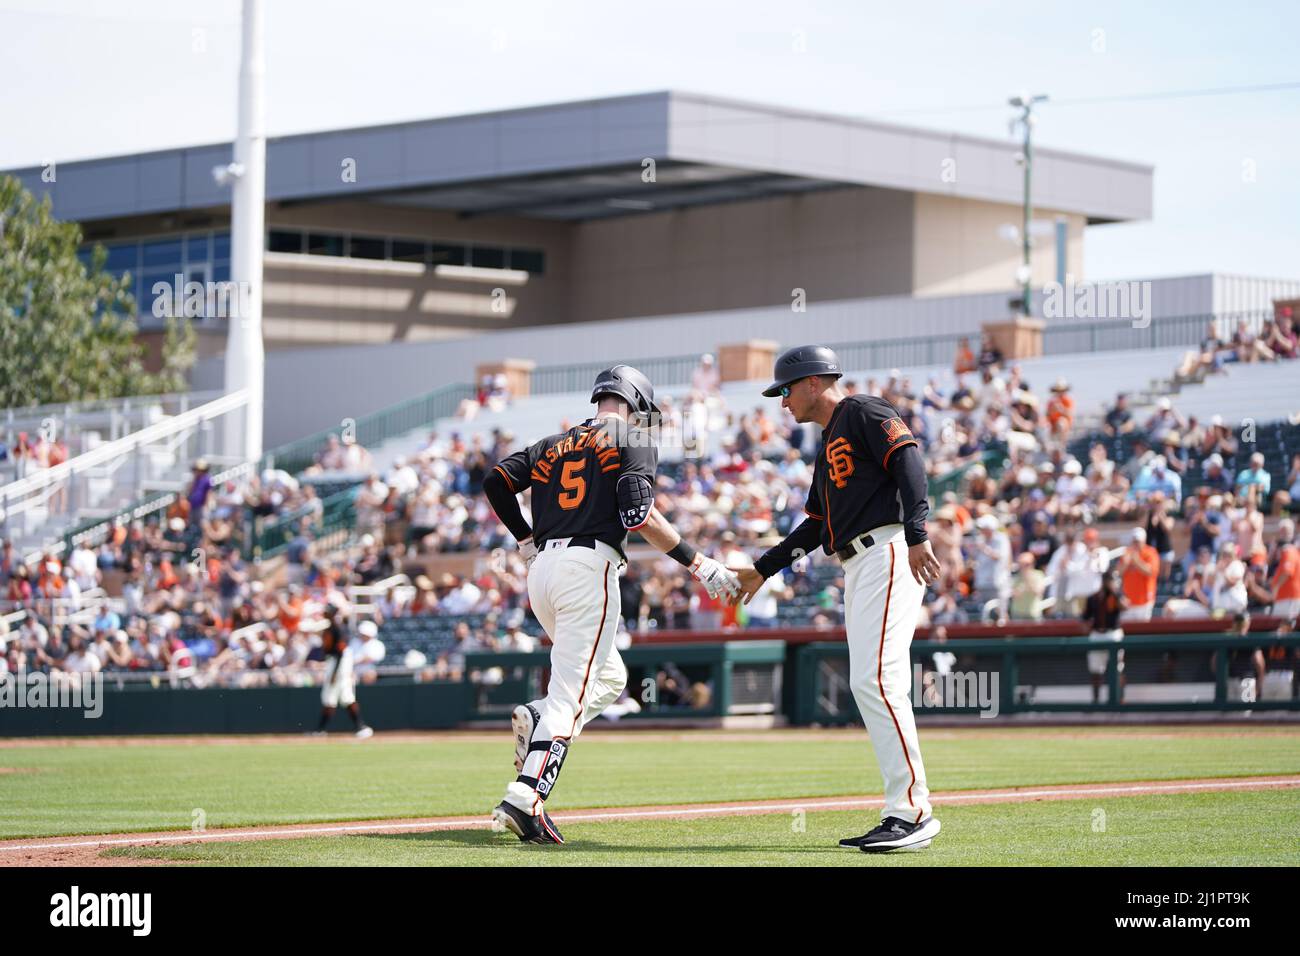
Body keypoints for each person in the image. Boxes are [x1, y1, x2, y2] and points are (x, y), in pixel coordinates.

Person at [483, 364, 739, 845]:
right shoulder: (634, 436)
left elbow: (495, 481)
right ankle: (525, 795)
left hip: (542, 572)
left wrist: (524, 538)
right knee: (571, 697)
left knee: (611, 677)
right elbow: (637, 513)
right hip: (588, 567)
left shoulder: (551, 443)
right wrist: (700, 564)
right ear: (638, 403)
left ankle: (538, 718)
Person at [734, 345, 942, 853]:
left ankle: (912, 811)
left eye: (784, 389)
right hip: (858, 561)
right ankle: (905, 809)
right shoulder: (828, 441)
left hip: (890, 548)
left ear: (811, 382)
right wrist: (764, 568)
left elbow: (909, 461)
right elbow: (818, 522)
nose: (781, 402)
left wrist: (918, 533)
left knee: (877, 677)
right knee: (870, 679)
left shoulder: (864, 410)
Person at [312, 603, 373, 739]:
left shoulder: (337, 628)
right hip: (335, 661)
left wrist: (334, 672)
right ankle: (360, 727)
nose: (325, 613)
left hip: (339, 662)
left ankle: (359, 727)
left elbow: (340, 653)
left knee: (335, 695)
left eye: (328, 611)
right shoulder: (330, 627)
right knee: (341, 696)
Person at [1082, 571, 1126, 703]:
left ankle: (1119, 699)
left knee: (1118, 669)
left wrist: (1115, 593)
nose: (1111, 583)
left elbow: (1125, 606)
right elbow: (1085, 618)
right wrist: (1087, 629)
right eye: (1109, 580)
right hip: (1097, 635)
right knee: (1095, 670)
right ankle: (1096, 701)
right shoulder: (1094, 597)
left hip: (1113, 634)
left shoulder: (1117, 596)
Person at [1118, 528, 1160, 621]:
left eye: (1138, 541)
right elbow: (1118, 573)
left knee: (1143, 631)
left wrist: (1136, 560)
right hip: (1128, 601)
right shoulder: (1126, 553)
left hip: (1144, 601)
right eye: (1134, 541)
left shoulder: (1150, 553)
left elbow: (1150, 572)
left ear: (1144, 541)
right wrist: (1125, 563)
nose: (1136, 544)